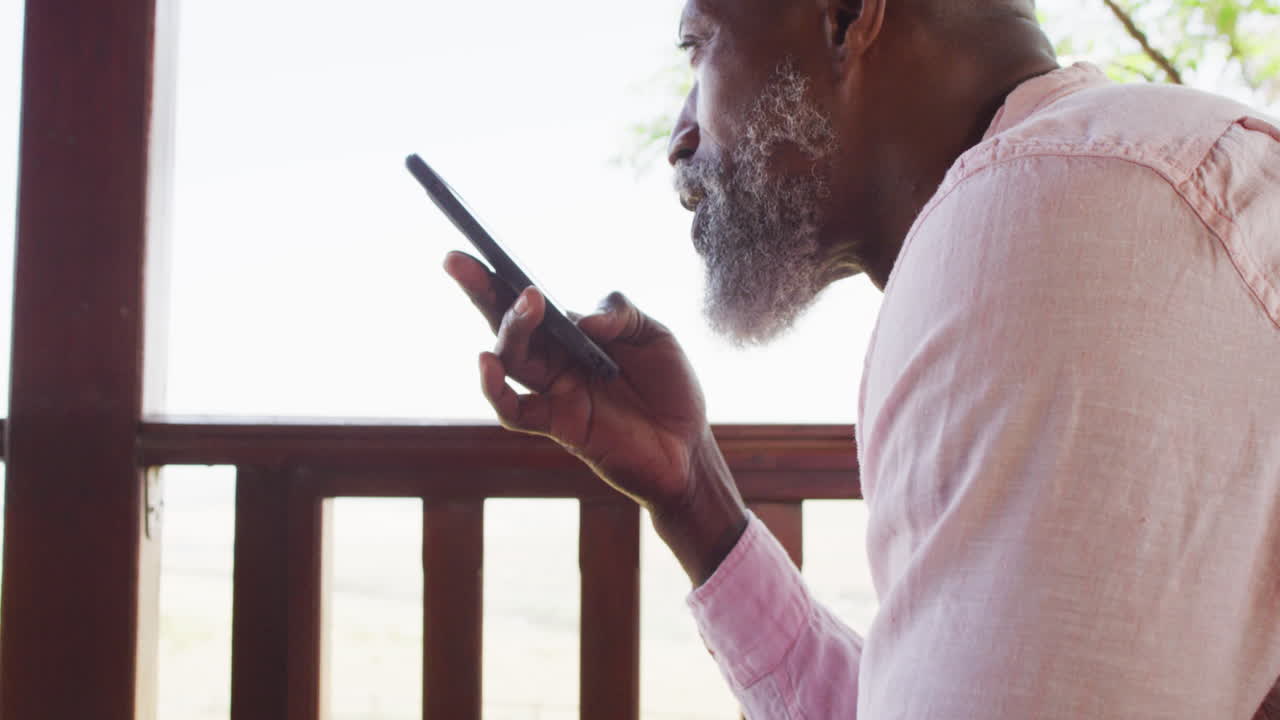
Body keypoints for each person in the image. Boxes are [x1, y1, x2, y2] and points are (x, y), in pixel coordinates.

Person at [445, 0, 1280, 716]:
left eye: (700, 48)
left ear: (846, 16)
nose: (680, 134)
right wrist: (692, 494)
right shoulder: (1108, 181)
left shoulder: (1042, 212)